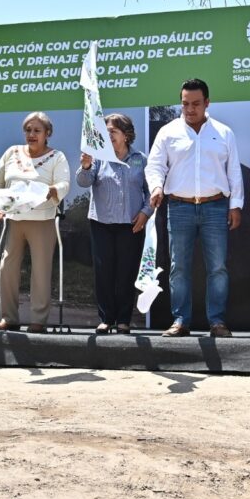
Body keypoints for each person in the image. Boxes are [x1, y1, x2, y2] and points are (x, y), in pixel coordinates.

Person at [146, 79, 243, 338]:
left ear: (207, 103)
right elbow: (154, 165)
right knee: (178, 266)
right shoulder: (168, 132)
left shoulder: (224, 133)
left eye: (196, 104)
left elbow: (234, 172)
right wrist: (156, 187)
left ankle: (217, 322)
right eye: (185, 104)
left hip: (215, 207)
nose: (190, 109)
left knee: (218, 267)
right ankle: (180, 320)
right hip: (179, 207)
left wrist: (236, 205)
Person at [0, 112, 70, 333]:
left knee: (41, 271)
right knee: (7, 268)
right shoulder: (11, 153)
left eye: (37, 131)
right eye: (28, 130)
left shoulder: (57, 157)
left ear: (47, 134)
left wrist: (53, 190)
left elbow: (64, 184)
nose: (32, 135)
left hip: (42, 220)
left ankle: (38, 320)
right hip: (14, 219)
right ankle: (9, 318)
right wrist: (0, 206)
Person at [76, 113, 152, 334]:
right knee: (104, 272)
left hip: (131, 224)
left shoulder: (140, 159)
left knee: (126, 273)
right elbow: (83, 182)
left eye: (113, 131)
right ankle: (106, 318)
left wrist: (145, 213)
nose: (108, 135)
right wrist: (86, 166)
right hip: (102, 223)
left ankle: (123, 320)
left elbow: (151, 191)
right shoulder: (98, 158)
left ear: (126, 135)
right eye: (106, 131)